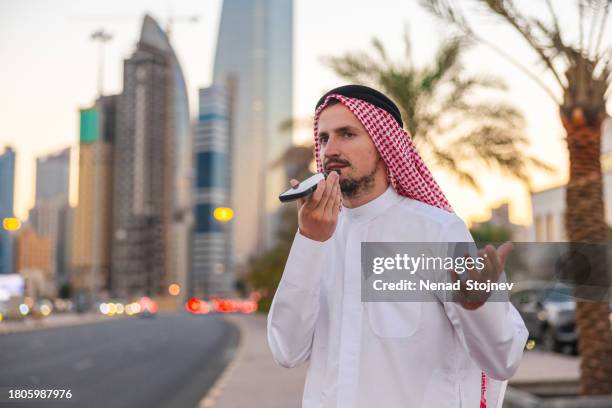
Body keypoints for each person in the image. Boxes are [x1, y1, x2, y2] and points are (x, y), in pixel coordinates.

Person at [267, 84, 528, 407]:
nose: (329, 149)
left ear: (384, 144)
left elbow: (502, 361)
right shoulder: (318, 236)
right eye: (323, 138)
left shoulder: (437, 232)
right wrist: (309, 242)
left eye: (347, 134)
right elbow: (286, 351)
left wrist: (479, 306)